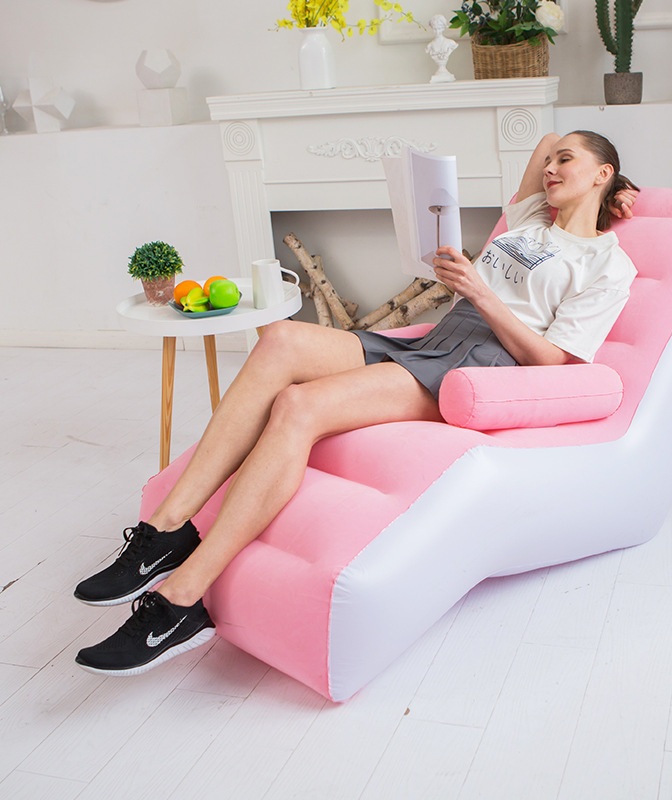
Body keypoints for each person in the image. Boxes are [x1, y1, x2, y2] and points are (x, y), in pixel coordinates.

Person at [73, 130, 640, 676]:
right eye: (553, 163)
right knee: (280, 339)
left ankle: (182, 598)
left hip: (483, 367)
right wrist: (605, 181)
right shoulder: (533, 215)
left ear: (601, 172)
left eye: (568, 161)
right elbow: (544, 142)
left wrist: (480, 291)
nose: (551, 168)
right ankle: (165, 529)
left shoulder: (608, 265)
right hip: (441, 336)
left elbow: (552, 362)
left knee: (298, 405)